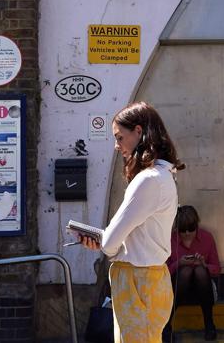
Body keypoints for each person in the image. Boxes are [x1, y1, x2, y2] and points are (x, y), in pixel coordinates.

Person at [77, 101, 184, 343]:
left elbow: (112, 240)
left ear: (138, 131)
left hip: (138, 281)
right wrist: (106, 242)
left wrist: (104, 243)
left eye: (119, 137)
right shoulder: (164, 175)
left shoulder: (148, 179)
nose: (117, 146)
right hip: (151, 278)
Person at [166, 205, 222, 340]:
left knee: (199, 271)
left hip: (203, 289)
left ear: (196, 226)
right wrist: (178, 263)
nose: (186, 233)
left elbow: (217, 269)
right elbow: (162, 271)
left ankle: (209, 324)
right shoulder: (170, 240)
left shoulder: (207, 238)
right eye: (182, 230)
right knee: (185, 271)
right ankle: (167, 326)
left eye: (190, 229)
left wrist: (204, 265)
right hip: (177, 288)